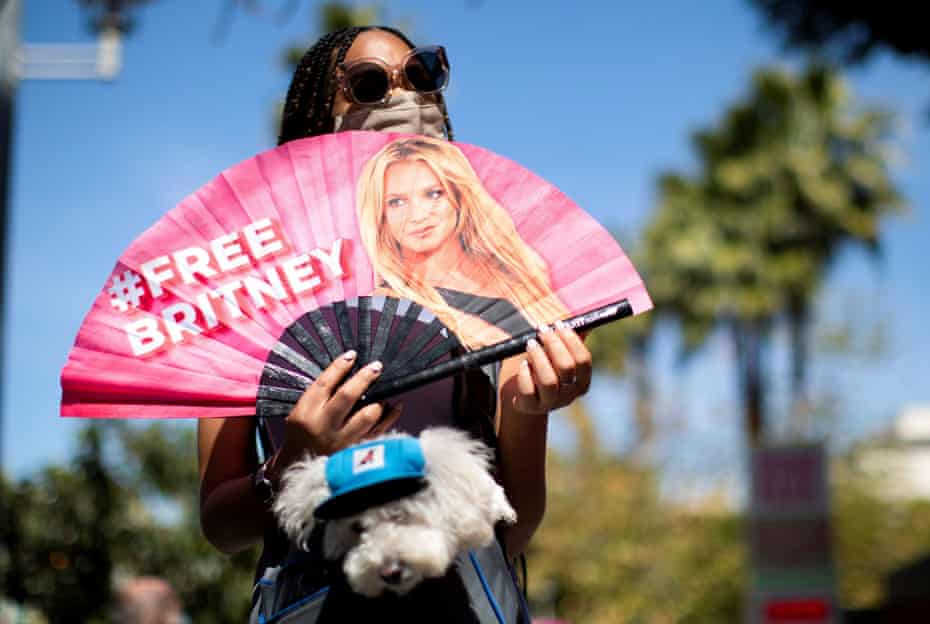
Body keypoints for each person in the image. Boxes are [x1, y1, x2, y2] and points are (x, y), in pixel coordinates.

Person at [197, 24, 592, 597]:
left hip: (459, 603)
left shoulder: (499, 305)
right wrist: (294, 461)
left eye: (423, 74)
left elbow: (513, 527)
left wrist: (531, 411)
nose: (405, 97)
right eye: (369, 84)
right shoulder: (254, 298)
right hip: (311, 602)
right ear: (318, 116)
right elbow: (220, 526)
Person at [356, 135, 568, 349]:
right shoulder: (389, 307)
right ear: (380, 215)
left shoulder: (521, 268)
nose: (417, 215)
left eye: (434, 194)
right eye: (396, 202)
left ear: (459, 195)